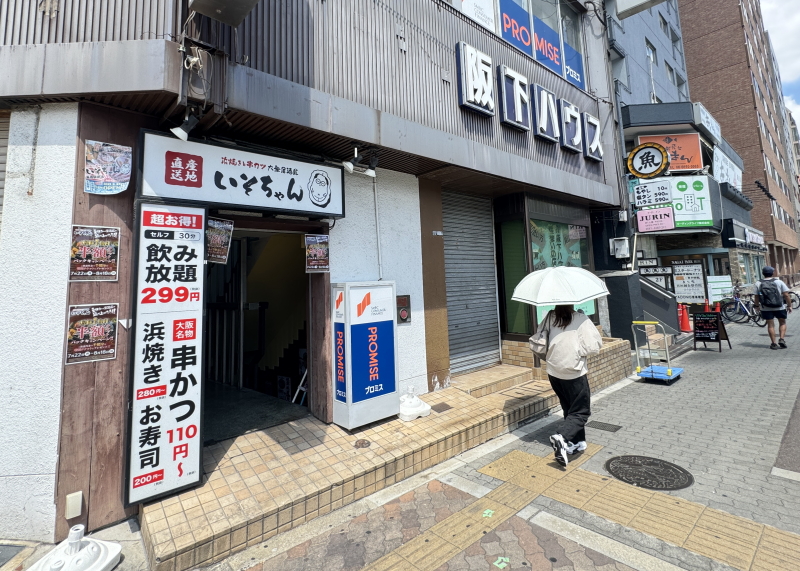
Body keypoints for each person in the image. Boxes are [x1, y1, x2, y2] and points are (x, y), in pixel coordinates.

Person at [541, 305, 604, 467]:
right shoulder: (580, 318)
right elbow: (593, 346)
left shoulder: (549, 317)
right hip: (573, 372)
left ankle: (577, 442)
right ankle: (562, 437)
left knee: (569, 408)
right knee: (582, 411)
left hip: (554, 371)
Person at [754, 266, 792, 350]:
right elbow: (786, 295)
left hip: (765, 307)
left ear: (763, 274)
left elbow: (756, 297)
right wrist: (789, 305)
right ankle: (781, 339)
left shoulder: (758, 283)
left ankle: (773, 343)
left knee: (770, 325)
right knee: (782, 323)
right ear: (773, 273)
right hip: (779, 307)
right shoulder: (779, 282)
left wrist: (756, 306)